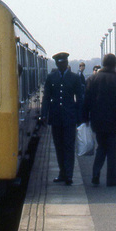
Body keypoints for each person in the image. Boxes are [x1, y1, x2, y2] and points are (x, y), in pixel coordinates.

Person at [82, 53, 116, 187]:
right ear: (115, 64)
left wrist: (85, 117)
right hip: (114, 120)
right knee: (112, 150)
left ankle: (95, 174)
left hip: (97, 120)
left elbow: (86, 101)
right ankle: (111, 179)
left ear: (103, 63)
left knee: (101, 148)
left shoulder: (92, 79)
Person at [41, 52, 83, 185]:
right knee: (59, 146)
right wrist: (43, 114)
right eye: (60, 63)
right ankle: (62, 172)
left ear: (67, 63)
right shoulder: (51, 77)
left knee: (69, 146)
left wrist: (80, 116)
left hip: (70, 117)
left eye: (64, 63)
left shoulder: (74, 78)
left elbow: (80, 98)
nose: (62, 65)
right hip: (56, 117)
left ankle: (69, 175)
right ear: (56, 64)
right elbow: (46, 97)